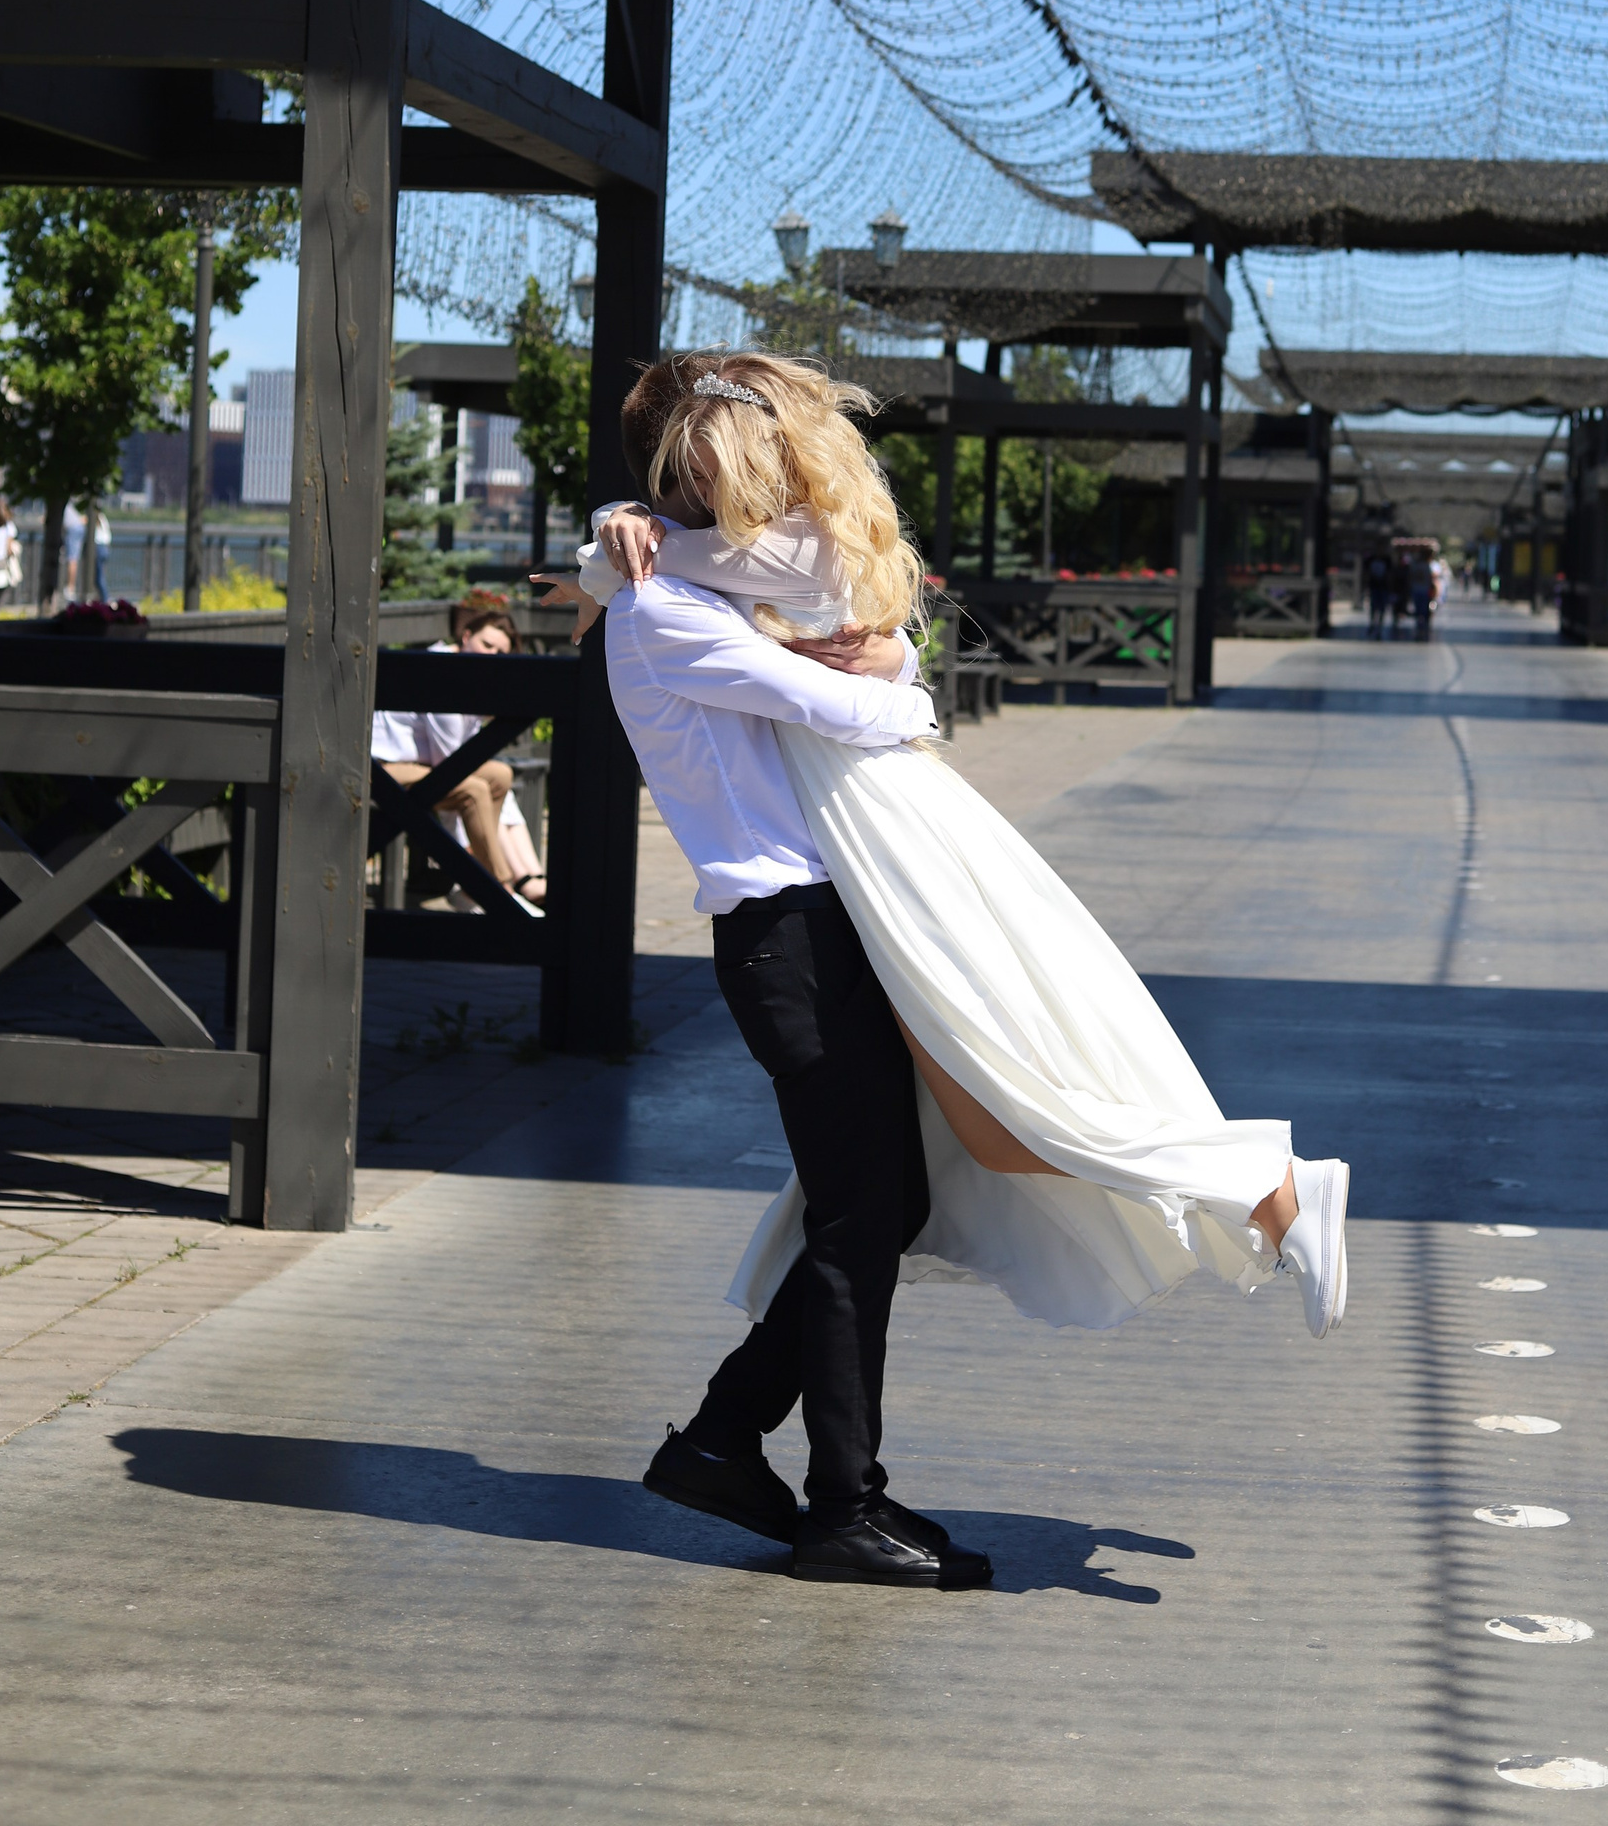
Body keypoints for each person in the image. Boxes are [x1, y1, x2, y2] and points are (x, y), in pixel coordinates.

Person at [535, 352, 1349, 1592]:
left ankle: (725, 1441)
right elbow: (856, 706)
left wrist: (879, 659)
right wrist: (891, 682)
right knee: (876, 1204)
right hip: (789, 940)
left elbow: (852, 628)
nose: (770, 506)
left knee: (894, 1195)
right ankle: (838, 1500)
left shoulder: (686, 580)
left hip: (836, 925)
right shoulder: (665, 614)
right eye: (747, 482)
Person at [370, 590, 545, 901]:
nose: (491, 656)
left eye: (499, 652)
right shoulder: (442, 672)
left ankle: (473, 877)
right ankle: (498, 889)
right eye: (486, 645)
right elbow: (451, 763)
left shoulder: (465, 672)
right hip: (381, 767)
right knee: (474, 790)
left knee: (501, 775)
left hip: (420, 764)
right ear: (465, 636)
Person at [62, 498, 87, 604]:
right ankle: (71, 587)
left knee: (72, 559)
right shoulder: (74, 502)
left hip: (72, 528)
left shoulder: (67, 501)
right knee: (73, 558)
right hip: (76, 527)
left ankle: (70, 587)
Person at [1364, 545, 1390, 638]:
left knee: (1382, 609)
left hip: (1383, 588)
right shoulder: (1371, 560)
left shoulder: (1386, 560)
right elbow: (1367, 573)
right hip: (1374, 587)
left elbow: (1389, 574)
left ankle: (1379, 627)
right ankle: (1372, 623)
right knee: (1373, 607)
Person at [91, 506, 112, 601]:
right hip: (105, 548)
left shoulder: (95, 519)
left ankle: (105, 599)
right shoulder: (103, 518)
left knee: (99, 578)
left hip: (99, 548)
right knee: (99, 576)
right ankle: (102, 598)